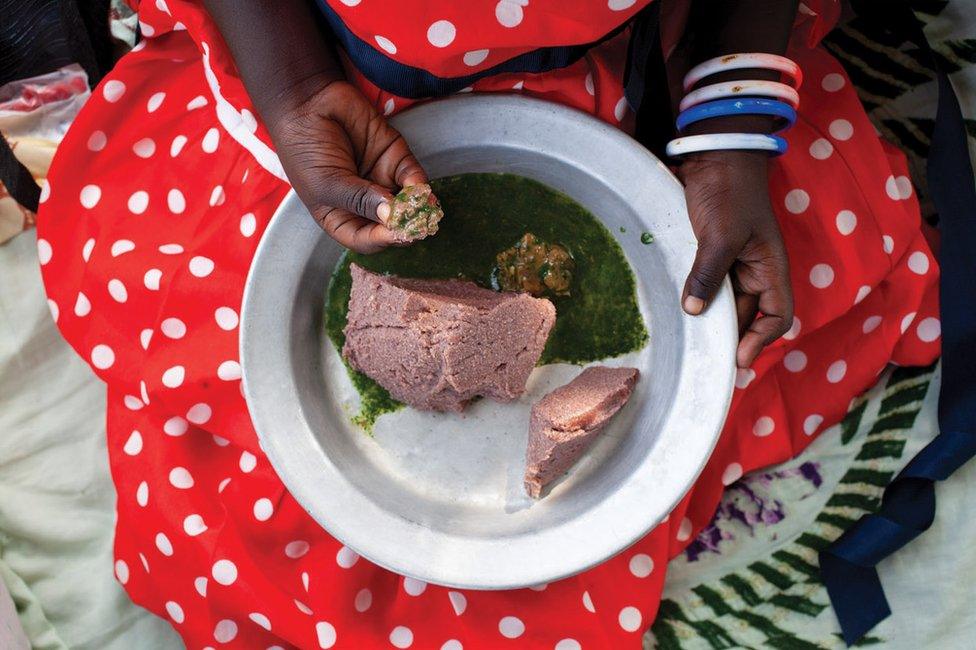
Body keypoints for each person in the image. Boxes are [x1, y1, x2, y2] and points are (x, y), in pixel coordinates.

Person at [36, 0, 939, 647]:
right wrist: (296, 90)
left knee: (787, 295)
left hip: (661, 77)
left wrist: (730, 129)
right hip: (319, 87)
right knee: (235, 427)